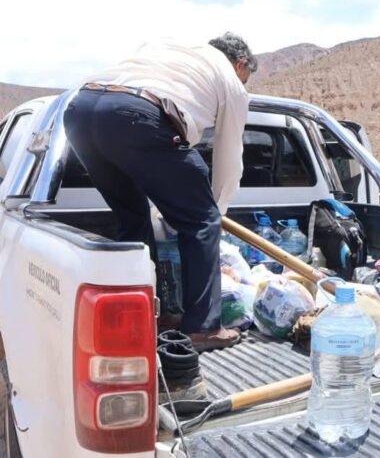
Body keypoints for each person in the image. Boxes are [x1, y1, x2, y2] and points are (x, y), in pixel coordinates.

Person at [63, 32, 257, 352]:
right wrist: (214, 211)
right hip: (139, 112)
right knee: (201, 221)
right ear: (239, 65)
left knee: (132, 219)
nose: (245, 84)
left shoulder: (169, 48)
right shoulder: (231, 83)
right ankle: (203, 327)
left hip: (80, 109)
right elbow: (229, 157)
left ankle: (145, 314)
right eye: (247, 77)